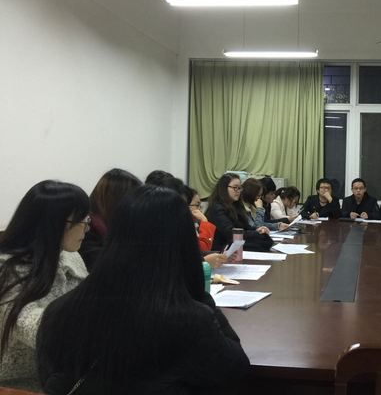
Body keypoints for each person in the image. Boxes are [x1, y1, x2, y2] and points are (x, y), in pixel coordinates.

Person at [37, 185, 249, 394]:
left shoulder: (59, 312)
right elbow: (235, 370)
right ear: (183, 244)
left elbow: (50, 381)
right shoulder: (190, 321)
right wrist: (200, 295)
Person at [0, 181, 90, 390]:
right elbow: (33, 328)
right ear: (56, 224)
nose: (87, 228)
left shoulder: (71, 257)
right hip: (16, 384)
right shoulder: (8, 270)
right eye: (83, 220)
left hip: (62, 377)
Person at [79, 168, 142, 271]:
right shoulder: (84, 232)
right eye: (135, 200)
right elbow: (109, 269)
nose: (138, 207)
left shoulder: (113, 226)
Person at [205, 173, 274, 252]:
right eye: (235, 188)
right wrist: (256, 233)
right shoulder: (216, 208)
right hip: (222, 247)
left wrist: (257, 229)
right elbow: (230, 233)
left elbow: (244, 226)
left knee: (264, 239)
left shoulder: (235, 205)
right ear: (223, 188)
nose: (238, 191)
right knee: (262, 240)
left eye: (239, 188)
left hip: (234, 242)